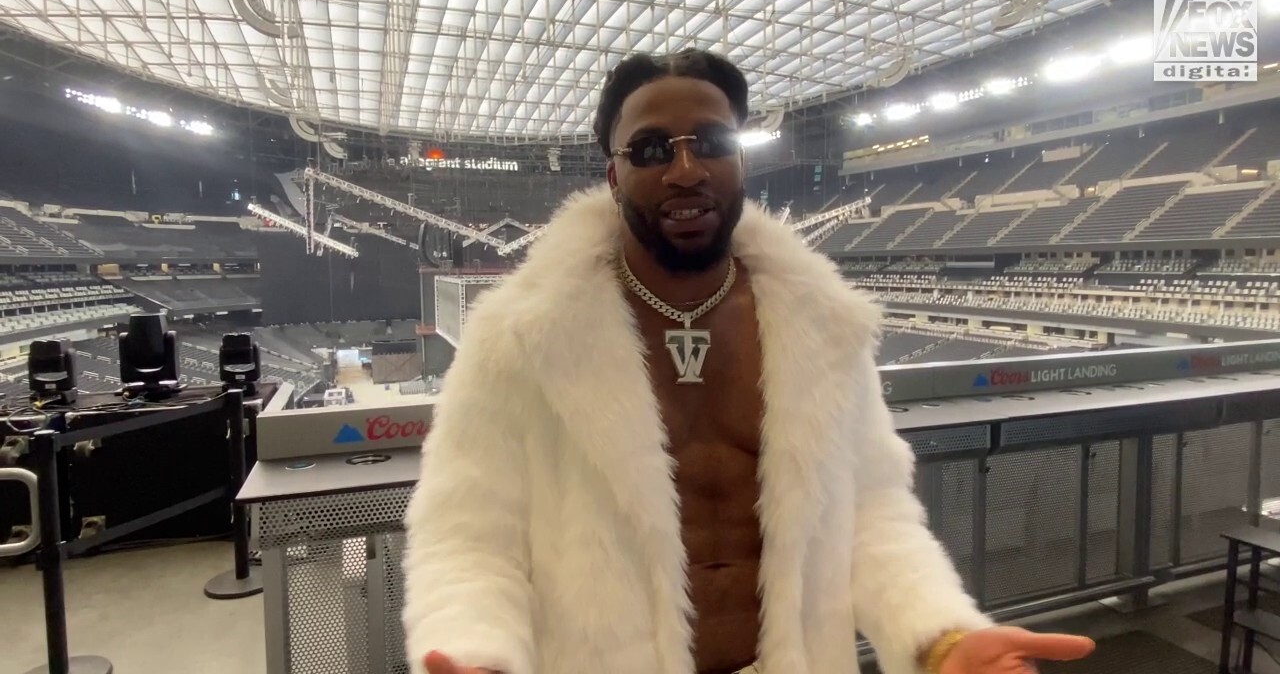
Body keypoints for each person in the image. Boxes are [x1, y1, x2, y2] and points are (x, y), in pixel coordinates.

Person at [402, 49, 1096, 674]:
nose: (685, 171)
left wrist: (940, 636)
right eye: (651, 150)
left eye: (712, 142)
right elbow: (466, 541)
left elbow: (873, 515)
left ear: (742, 162)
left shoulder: (823, 329)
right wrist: (476, 654)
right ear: (613, 176)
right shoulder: (521, 339)